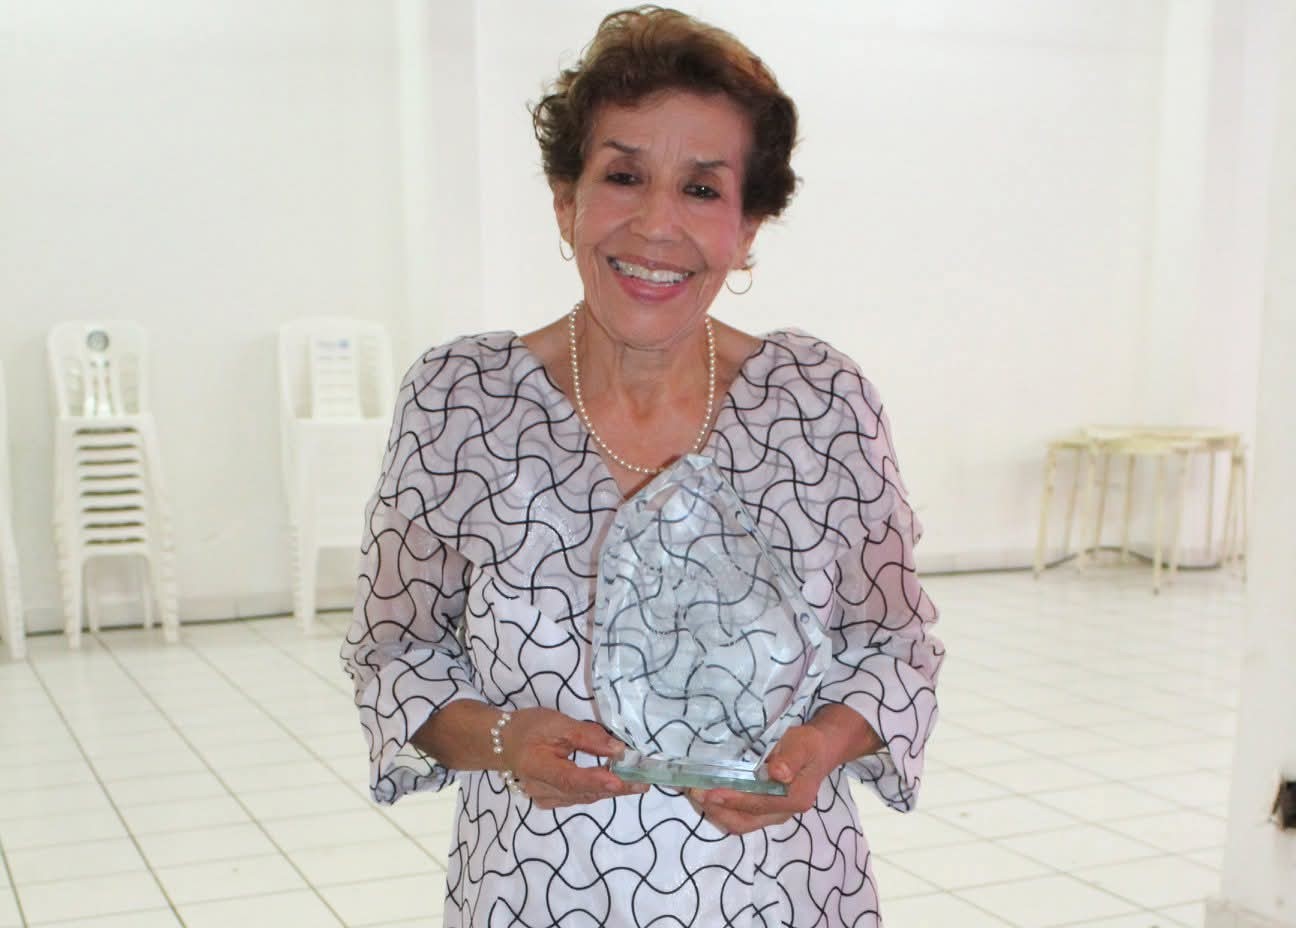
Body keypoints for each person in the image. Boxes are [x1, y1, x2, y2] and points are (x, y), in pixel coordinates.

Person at [341, 6, 943, 926]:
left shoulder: (820, 402)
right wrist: (502, 739)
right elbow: (394, 653)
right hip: (539, 893)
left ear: (747, 227)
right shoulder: (462, 400)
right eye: (623, 176)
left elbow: (896, 645)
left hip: (780, 893)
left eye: (702, 189)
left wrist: (822, 745)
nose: (657, 224)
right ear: (566, 201)